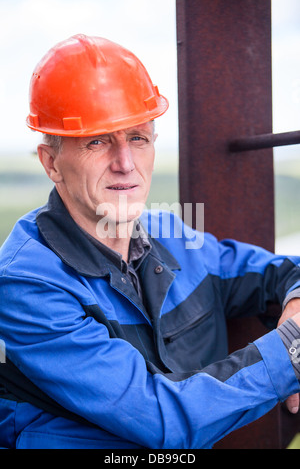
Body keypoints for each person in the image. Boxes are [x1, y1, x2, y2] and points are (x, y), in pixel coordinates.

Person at [0, 34, 300, 450]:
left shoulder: (176, 238)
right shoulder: (28, 282)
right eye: (97, 141)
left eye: (138, 138)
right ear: (51, 162)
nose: (125, 164)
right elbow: (163, 420)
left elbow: (287, 272)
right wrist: (291, 354)